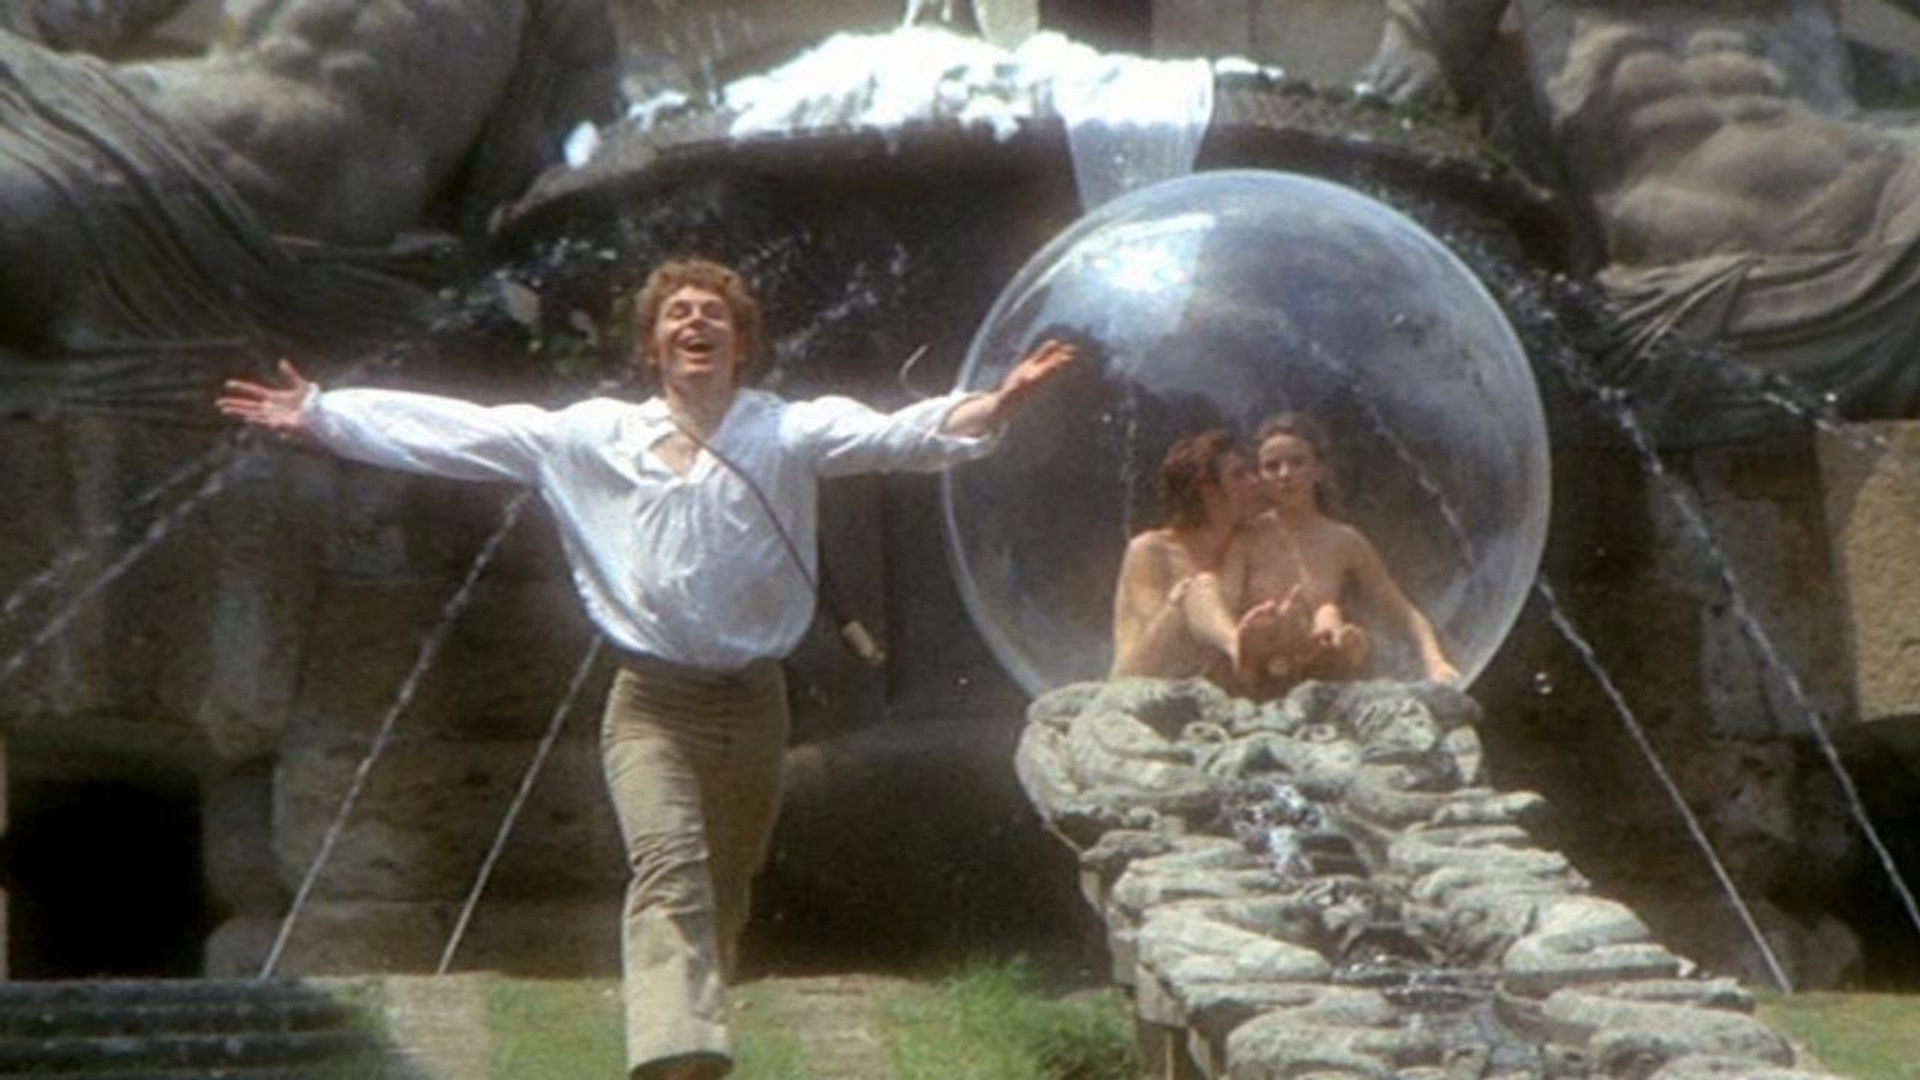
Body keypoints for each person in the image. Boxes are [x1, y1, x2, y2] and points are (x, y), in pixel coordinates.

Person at [216, 256, 1075, 1080]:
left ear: (741, 343)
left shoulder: (785, 429)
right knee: (668, 869)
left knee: (725, 887)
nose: (696, 321)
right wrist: (327, 415)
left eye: (714, 313)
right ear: (654, 347)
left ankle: (694, 1044)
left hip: (755, 704)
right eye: (678, 313)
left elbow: (896, 434)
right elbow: (460, 430)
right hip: (652, 704)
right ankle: (674, 1055)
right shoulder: (594, 436)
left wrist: (996, 403)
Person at [1227, 413, 1460, 696]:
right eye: (1272, 466)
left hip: (1319, 670)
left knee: (1328, 611)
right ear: (1261, 477)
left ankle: (1337, 652)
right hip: (1259, 668)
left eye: (1297, 462)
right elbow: (1224, 603)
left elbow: (1402, 610)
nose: (1285, 475)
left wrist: (1435, 662)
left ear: (1319, 470)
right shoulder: (1246, 537)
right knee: (1291, 615)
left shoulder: (1344, 540)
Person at [1108, 429, 1266, 683]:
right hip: (1144, 683)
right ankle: (1237, 647)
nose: (1255, 482)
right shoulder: (1152, 550)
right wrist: (1185, 603)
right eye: (1239, 475)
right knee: (1199, 588)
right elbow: (1147, 654)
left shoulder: (1249, 542)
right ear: (1208, 490)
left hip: (1214, 689)